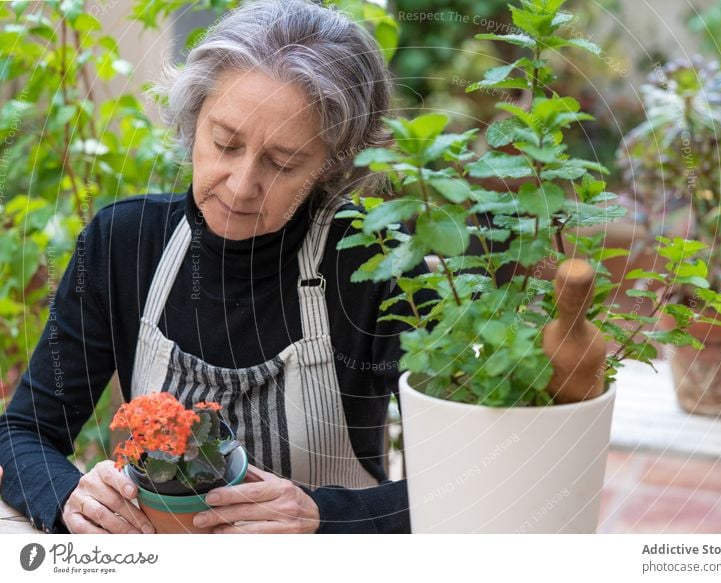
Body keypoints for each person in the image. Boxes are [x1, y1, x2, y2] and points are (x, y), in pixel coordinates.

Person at [0, 0, 430, 534]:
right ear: (192, 118)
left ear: (332, 165)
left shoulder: (375, 263)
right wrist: (70, 497)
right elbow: (23, 432)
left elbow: (462, 480)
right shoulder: (125, 244)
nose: (241, 184)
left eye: (282, 163)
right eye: (225, 143)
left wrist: (324, 516)